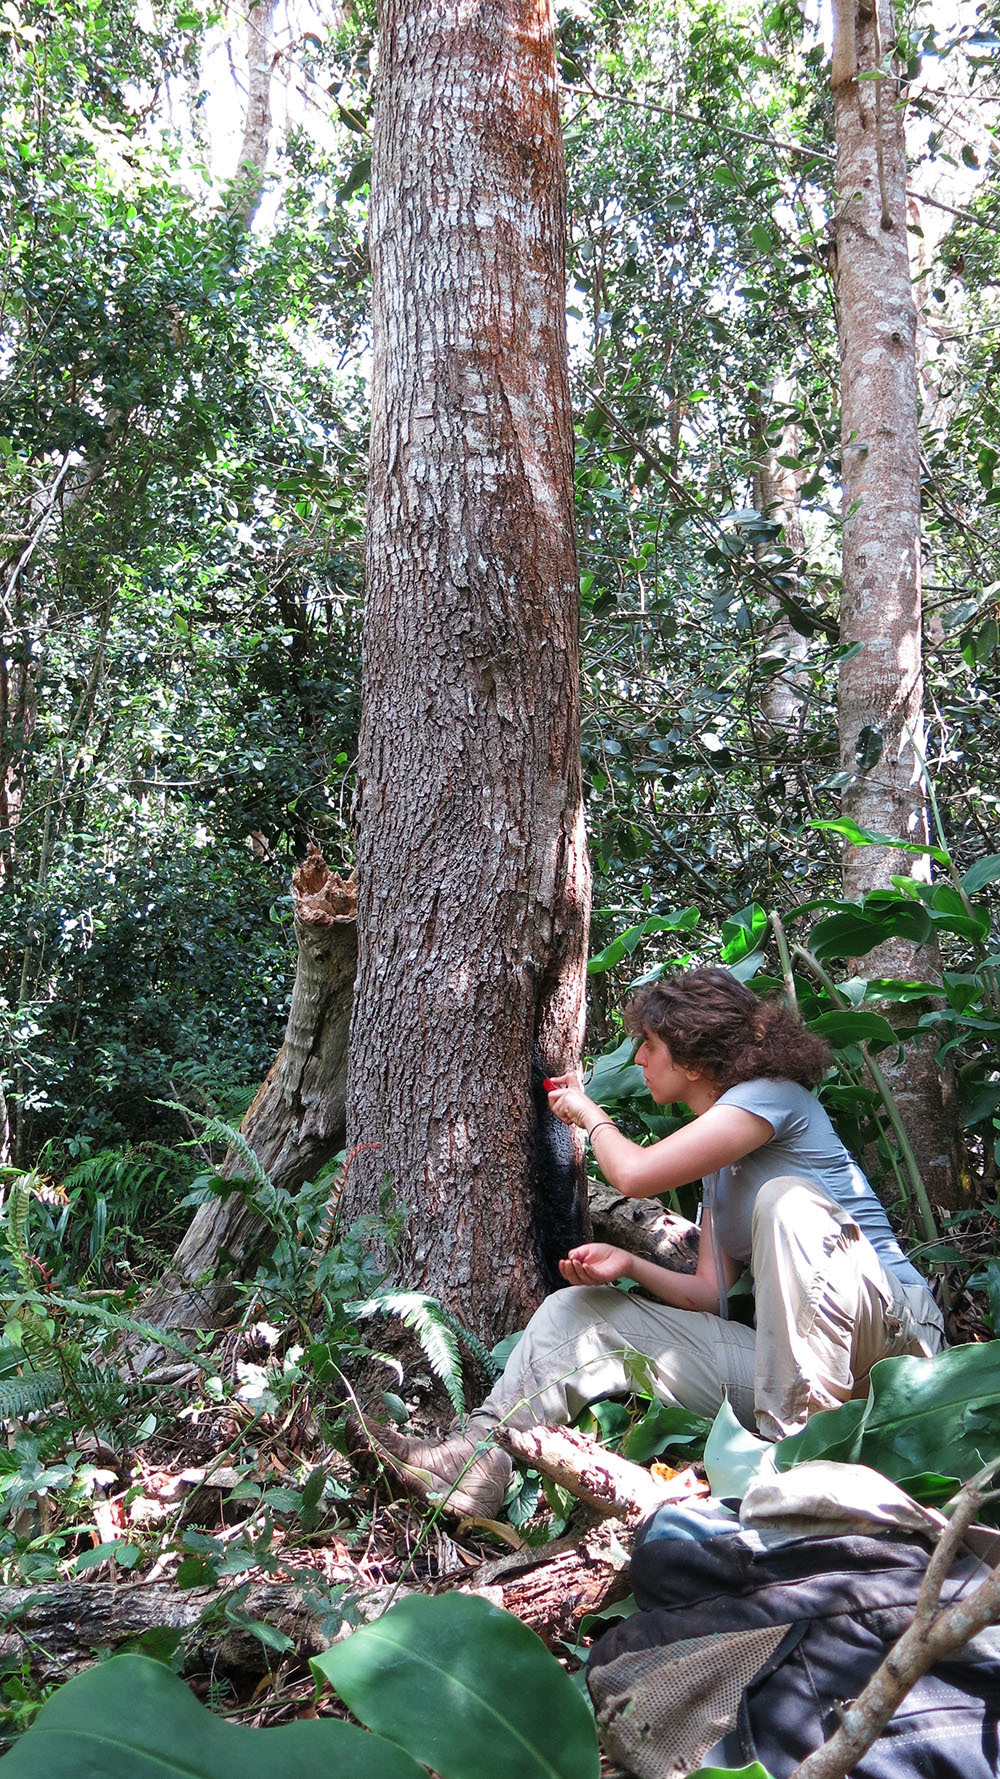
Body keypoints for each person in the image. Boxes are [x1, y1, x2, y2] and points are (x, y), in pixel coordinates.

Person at [371, 967, 945, 1519]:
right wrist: (628, 1263)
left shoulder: (776, 1096)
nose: (638, 1058)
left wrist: (589, 1118)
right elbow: (709, 1291)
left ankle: (789, 1469)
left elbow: (635, 1176)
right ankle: (475, 1462)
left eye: (649, 1044)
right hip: (792, 1374)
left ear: (693, 1058)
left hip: (894, 1342)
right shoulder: (721, 1169)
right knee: (576, 1313)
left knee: (787, 1202)